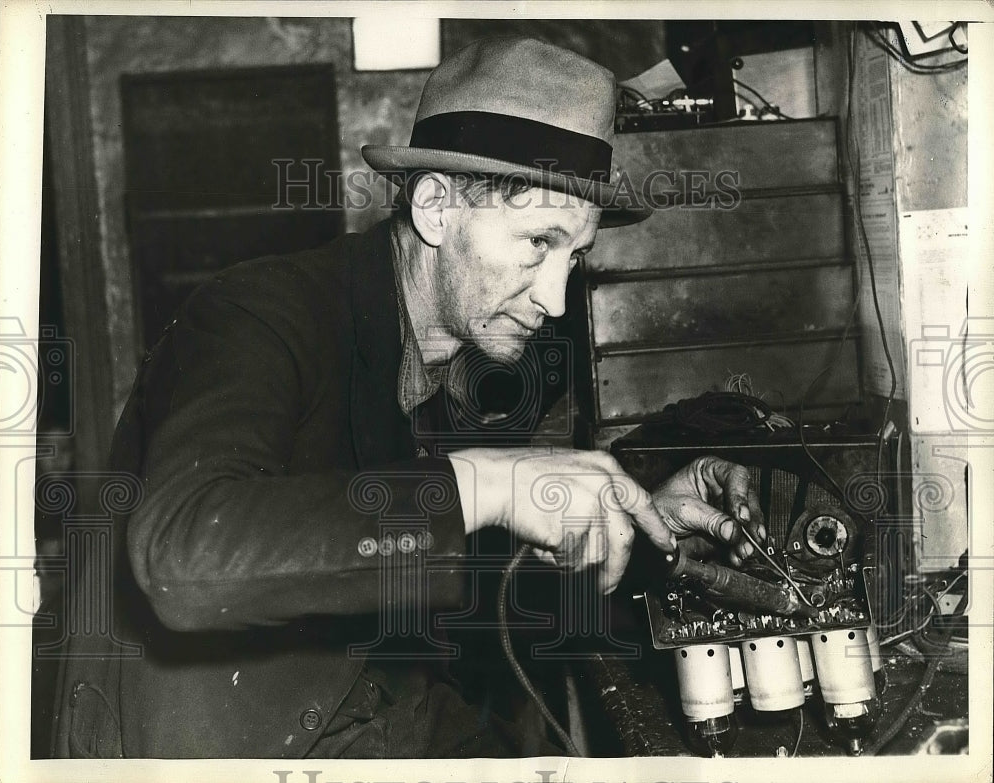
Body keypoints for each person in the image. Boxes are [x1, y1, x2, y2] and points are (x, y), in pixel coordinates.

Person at [52, 36, 764, 759]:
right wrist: (486, 482)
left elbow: (461, 574)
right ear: (434, 207)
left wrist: (640, 524)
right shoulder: (258, 314)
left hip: (378, 724)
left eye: (573, 256)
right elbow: (184, 560)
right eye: (538, 241)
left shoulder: (454, 359)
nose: (555, 297)